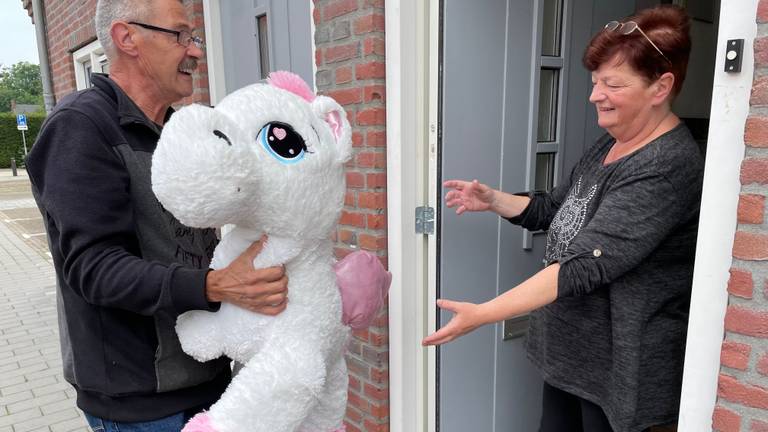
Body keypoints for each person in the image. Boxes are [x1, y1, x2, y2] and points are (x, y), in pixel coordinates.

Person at [423, 5, 701, 432]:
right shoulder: (609, 144)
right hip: (571, 356)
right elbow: (555, 211)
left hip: (617, 370)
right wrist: (492, 199)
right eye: (595, 83)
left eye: (612, 83)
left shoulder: (667, 164)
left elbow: (586, 263)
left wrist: (484, 313)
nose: (595, 95)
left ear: (660, 87)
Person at [27, 0, 293, 429]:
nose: (196, 51)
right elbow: (93, 268)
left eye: (195, 37)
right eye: (181, 35)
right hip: (141, 403)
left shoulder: (178, 131)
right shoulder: (81, 128)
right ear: (127, 37)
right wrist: (214, 286)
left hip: (208, 379)